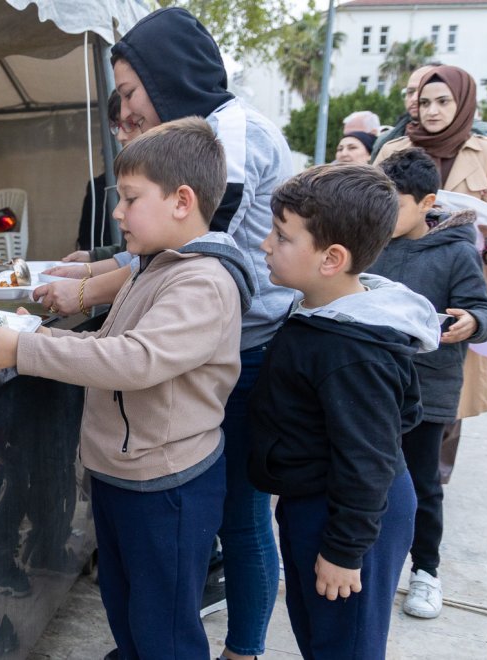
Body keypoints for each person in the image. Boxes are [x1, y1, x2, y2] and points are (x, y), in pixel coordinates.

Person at [35, 9, 295, 660]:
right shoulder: (204, 132)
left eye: (128, 93)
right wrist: (95, 264)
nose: (124, 111)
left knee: (238, 513)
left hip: (248, 349)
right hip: (211, 347)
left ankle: (242, 649)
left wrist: (87, 287)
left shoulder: (228, 136)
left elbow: (178, 255)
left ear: (167, 75)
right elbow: (152, 253)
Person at [0, 117, 252, 659]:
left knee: (164, 627)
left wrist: (23, 349)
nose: (118, 212)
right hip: (122, 474)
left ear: (181, 200)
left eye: (129, 198)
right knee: (125, 608)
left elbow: (136, 359)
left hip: (167, 485)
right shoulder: (155, 265)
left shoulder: (203, 282)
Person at [249, 163, 438, 658]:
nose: (267, 244)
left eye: (282, 236)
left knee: (345, 645)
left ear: (331, 258)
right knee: (319, 636)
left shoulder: (352, 351)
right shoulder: (320, 311)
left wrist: (344, 550)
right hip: (316, 500)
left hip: (351, 515)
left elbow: (371, 456)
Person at [373, 66, 487, 601]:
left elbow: (483, 311)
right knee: (367, 469)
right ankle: (363, 554)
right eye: (422, 100)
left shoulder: (455, 249)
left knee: (423, 479)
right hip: (376, 378)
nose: (429, 110)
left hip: (430, 379)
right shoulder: (373, 236)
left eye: (441, 101)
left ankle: (425, 571)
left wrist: (473, 322)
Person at [74, 91, 123, 255]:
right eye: (117, 127)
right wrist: (92, 256)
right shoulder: (96, 185)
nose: (121, 136)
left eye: (133, 123)